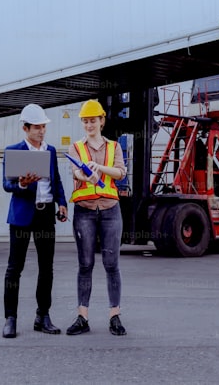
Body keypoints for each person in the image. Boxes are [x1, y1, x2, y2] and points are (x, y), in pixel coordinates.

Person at [1, 103, 68, 339]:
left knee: (46, 268)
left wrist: (62, 203)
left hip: (45, 214)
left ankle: (43, 316)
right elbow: (6, 184)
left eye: (43, 127)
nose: (42, 131)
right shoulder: (14, 151)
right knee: (14, 269)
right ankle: (10, 318)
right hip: (21, 217)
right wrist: (21, 183)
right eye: (37, 127)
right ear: (25, 128)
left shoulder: (49, 151)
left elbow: (56, 180)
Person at [65, 99, 128, 336]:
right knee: (85, 264)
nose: (89, 124)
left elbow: (121, 173)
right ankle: (83, 317)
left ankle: (115, 316)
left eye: (93, 120)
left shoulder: (114, 147)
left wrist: (99, 169)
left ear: (102, 121)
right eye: (85, 121)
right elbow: (76, 172)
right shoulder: (76, 148)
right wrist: (85, 175)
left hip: (111, 209)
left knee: (112, 265)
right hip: (85, 211)